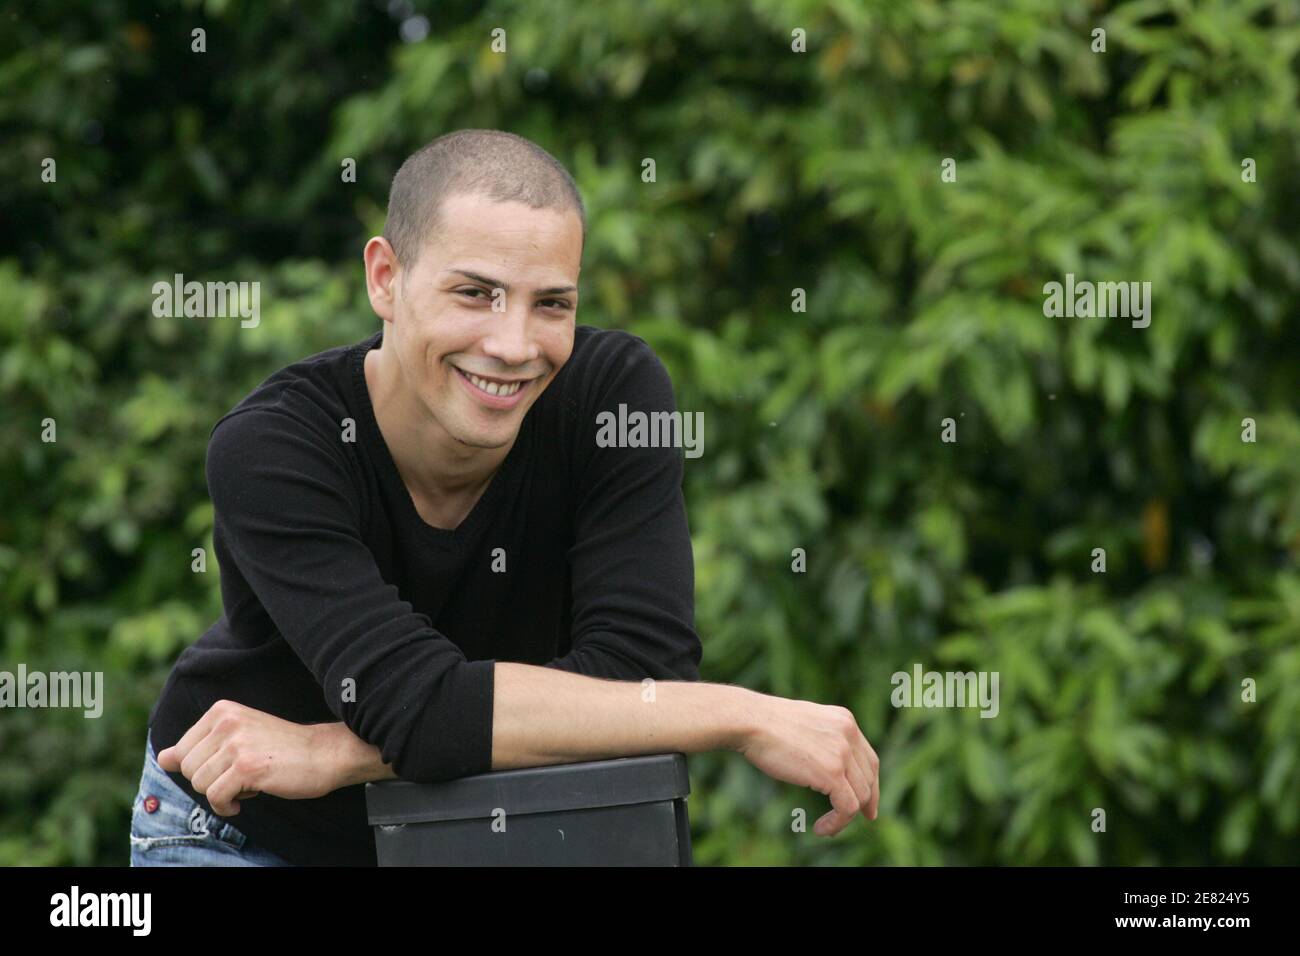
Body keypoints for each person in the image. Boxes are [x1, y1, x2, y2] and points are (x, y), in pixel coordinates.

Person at [132, 129, 880, 867]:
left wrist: (335, 750)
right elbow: (420, 710)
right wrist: (741, 715)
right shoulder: (275, 447)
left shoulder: (610, 397)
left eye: (551, 304)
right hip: (254, 833)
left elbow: (643, 681)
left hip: (509, 822)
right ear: (385, 278)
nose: (516, 345)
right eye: (475, 293)